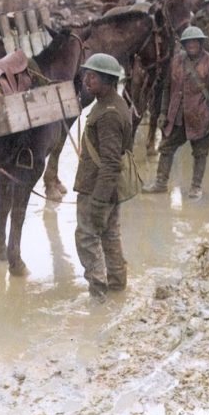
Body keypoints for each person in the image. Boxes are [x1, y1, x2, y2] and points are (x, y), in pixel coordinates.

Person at [141, 26, 209, 200]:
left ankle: (196, 187)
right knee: (165, 148)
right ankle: (160, 183)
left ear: (201, 43)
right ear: (184, 44)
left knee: (200, 153)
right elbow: (167, 88)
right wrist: (164, 113)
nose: (192, 45)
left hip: (201, 117)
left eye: (196, 41)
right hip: (176, 117)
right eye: (189, 42)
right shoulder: (175, 61)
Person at [73, 53, 133, 302]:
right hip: (108, 189)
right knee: (109, 234)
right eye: (87, 74)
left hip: (98, 189)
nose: (87, 80)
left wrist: (98, 200)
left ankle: (98, 294)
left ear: (108, 81)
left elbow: (110, 162)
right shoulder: (112, 104)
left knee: (87, 237)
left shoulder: (108, 114)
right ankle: (118, 285)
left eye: (93, 76)